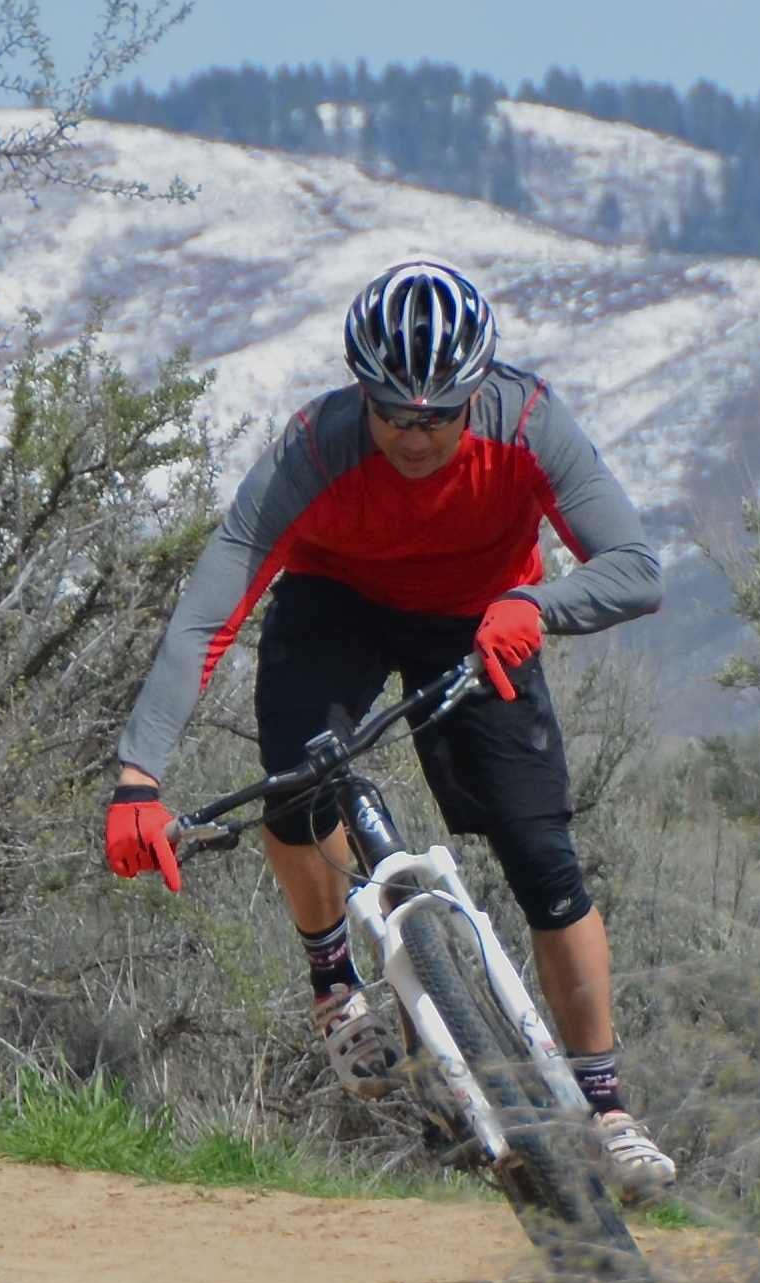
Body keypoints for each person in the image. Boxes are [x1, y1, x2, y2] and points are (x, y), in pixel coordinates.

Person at [100, 258, 679, 1200]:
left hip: (485, 612)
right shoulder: (313, 450)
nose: (413, 435)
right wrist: (138, 777)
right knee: (297, 778)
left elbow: (636, 567)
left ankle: (608, 1108)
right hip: (339, 603)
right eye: (392, 414)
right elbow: (205, 617)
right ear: (360, 395)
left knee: (544, 859)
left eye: (438, 415)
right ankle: (334, 978)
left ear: (476, 395)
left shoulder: (529, 422)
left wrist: (538, 603)